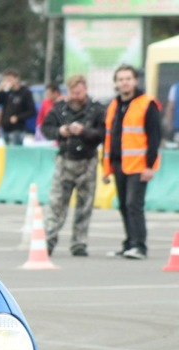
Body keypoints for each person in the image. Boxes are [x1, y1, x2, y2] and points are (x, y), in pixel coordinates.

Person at [40, 75, 106, 257]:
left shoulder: (96, 109)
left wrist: (84, 132)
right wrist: (60, 131)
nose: (76, 96)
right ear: (68, 91)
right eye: (73, 92)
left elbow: (102, 134)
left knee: (84, 206)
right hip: (65, 160)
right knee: (56, 204)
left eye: (79, 91)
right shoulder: (59, 108)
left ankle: (79, 243)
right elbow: (45, 129)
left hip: (87, 161)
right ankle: (48, 240)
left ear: (85, 89)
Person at [102, 64, 161, 260]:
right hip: (118, 162)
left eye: (128, 78)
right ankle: (129, 243)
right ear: (116, 83)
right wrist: (106, 168)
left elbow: (154, 137)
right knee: (124, 206)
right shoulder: (114, 105)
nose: (124, 82)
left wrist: (150, 166)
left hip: (139, 164)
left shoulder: (147, 103)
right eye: (120, 79)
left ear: (135, 81)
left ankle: (139, 245)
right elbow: (109, 137)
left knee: (133, 204)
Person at [0, 69, 36, 145]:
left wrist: (18, 117)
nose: (8, 82)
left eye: (10, 79)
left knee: (14, 150)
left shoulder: (25, 92)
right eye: (6, 80)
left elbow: (32, 111)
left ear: (16, 79)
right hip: (5, 128)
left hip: (17, 128)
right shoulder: (6, 93)